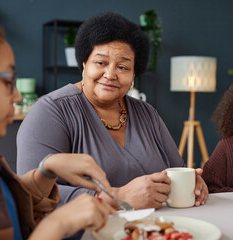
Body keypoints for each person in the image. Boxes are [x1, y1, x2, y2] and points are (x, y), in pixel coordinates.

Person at [16, 12, 208, 210]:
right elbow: (31, 195)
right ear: (84, 63)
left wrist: (192, 182)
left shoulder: (147, 114)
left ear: (134, 74)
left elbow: (177, 170)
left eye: (123, 67)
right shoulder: (50, 111)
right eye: (101, 63)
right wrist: (117, 197)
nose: (110, 74)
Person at [0, 10, 116, 239]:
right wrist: (58, 223)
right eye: (7, 82)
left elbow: (11, 207)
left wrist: (47, 170)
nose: (16, 96)